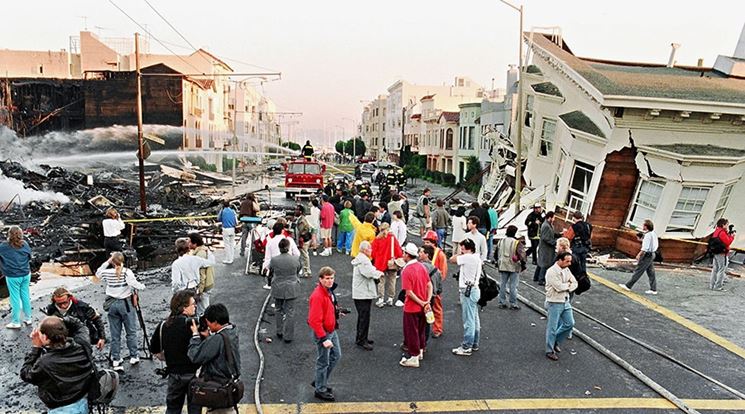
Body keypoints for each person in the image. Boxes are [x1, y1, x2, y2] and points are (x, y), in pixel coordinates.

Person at [20, 316, 94, 414]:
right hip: (84, 399)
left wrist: (35, 348)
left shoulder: (45, 362)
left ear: (45, 337)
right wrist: (61, 322)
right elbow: (80, 325)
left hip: (61, 408)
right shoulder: (83, 346)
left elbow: (26, 374)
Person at [149, 290, 201, 414]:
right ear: (184, 308)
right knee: (194, 409)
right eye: (193, 304)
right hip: (193, 374)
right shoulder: (194, 326)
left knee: (173, 408)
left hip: (174, 375)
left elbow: (154, 349)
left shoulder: (163, 326)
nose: (195, 306)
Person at [96, 251, 146, 371]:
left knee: (115, 334)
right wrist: (142, 286)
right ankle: (134, 355)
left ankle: (116, 358)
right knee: (131, 331)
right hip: (125, 303)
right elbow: (133, 283)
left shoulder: (106, 272)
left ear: (112, 262)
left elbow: (97, 274)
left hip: (112, 304)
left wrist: (107, 261)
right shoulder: (126, 272)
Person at [187, 304, 241, 414]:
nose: (207, 325)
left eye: (208, 322)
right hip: (229, 385)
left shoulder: (217, 340)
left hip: (218, 389)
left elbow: (195, 356)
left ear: (215, 322)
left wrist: (195, 335)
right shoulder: (232, 331)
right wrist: (209, 338)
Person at [307, 267, 341, 401]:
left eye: (332, 278)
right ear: (320, 279)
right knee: (323, 361)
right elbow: (314, 320)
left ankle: (319, 381)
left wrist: (337, 313)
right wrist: (323, 338)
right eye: (327, 278)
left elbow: (328, 309)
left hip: (330, 330)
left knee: (336, 356)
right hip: (324, 333)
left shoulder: (328, 292)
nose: (330, 281)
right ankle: (320, 389)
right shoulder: (318, 296)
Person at [399, 243, 433, 368]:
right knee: (421, 330)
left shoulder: (406, 270)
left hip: (412, 307)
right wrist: (427, 301)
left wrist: (421, 302)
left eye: (404, 253)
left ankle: (414, 356)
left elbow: (409, 292)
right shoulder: (422, 267)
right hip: (423, 306)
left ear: (407, 255)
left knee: (411, 331)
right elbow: (429, 285)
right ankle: (420, 351)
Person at [449, 238, 481, 356]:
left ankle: (467, 346)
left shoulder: (467, 257)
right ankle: (474, 343)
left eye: (462, 248)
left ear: (467, 249)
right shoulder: (477, 257)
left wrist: (460, 253)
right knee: (474, 318)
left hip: (467, 290)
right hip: (475, 289)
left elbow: (452, 259)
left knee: (468, 319)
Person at [545, 251, 578, 361]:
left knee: (570, 323)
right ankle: (549, 350)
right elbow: (558, 287)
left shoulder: (566, 269)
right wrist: (569, 286)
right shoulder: (551, 272)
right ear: (559, 260)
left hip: (565, 301)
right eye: (567, 261)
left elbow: (575, 283)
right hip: (554, 302)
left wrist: (567, 286)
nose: (569, 263)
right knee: (552, 328)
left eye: (570, 261)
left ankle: (555, 341)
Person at [351, 241, 383, 350]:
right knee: (364, 317)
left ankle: (361, 337)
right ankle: (362, 340)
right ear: (365, 250)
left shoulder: (362, 259)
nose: (371, 251)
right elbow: (369, 273)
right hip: (362, 294)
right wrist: (380, 273)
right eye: (370, 249)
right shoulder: (364, 261)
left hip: (361, 293)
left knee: (362, 317)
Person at [0, 225, 33, 329]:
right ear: (21, 234)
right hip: (26, 274)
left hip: (13, 276)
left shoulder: (3, 246)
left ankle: (16, 321)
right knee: (25, 296)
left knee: (15, 298)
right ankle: (28, 318)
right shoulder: (25, 244)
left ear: (8, 235)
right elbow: (29, 257)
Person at [171, 238, 215, 315]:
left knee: (185, 312)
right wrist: (208, 251)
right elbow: (211, 262)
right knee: (195, 310)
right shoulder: (195, 259)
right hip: (195, 289)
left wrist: (175, 292)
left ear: (177, 249)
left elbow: (176, 282)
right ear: (188, 248)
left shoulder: (176, 264)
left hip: (184, 290)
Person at [270, 239, 302, 342]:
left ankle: (279, 331)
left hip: (278, 286)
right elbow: (298, 270)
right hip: (291, 287)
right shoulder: (295, 259)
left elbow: (271, 271)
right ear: (288, 248)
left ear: (279, 248)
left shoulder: (274, 260)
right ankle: (288, 336)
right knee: (290, 312)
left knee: (278, 309)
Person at [619, 219, 659, 295]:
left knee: (639, 270)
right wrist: (641, 239)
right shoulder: (653, 233)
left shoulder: (647, 236)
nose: (642, 226)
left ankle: (628, 286)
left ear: (646, 227)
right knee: (651, 272)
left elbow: (645, 248)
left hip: (647, 255)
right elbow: (651, 244)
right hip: (652, 254)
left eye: (643, 225)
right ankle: (653, 289)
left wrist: (638, 255)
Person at [423, 231, 448, 338]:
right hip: (425, 285)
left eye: (427, 242)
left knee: (436, 307)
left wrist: (435, 285)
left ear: (434, 243)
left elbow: (443, 272)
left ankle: (437, 328)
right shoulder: (425, 253)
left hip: (434, 286)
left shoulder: (440, 255)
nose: (425, 244)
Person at [371, 223, 403, 307]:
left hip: (380, 263)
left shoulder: (377, 239)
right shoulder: (392, 238)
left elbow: (373, 253)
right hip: (391, 263)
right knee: (392, 280)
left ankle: (380, 299)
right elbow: (399, 251)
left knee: (381, 281)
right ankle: (390, 298)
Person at [263, 221, 300, 289]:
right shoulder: (289, 240)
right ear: (282, 230)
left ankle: (269, 284)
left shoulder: (270, 242)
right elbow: (297, 254)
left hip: (276, 269)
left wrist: (265, 269)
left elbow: (267, 258)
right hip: (289, 266)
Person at [496, 225, 525, 310]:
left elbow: (496, 253)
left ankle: (502, 302)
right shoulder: (517, 242)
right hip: (514, 266)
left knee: (502, 284)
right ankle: (513, 303)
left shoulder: (501, 241)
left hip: (502, 265)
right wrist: (523, 265)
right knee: (513, 286)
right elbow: (522, 255)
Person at [418, 244, 442, 344]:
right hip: (430, 297)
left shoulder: (419, 267)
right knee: (426, 321)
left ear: (427, 255)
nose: (419, 254)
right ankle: (424, 342)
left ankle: (414, 342)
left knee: (416, 321)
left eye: (421, 252)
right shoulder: (436, 270)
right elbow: (439, 287)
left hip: (419, 297)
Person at [187, 233, 215, 315]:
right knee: (204, 307)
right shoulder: (203, 250)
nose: (187, 243)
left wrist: (199, 291)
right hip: (208, 283)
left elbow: (202, 274)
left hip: (205, 286)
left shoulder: (200, 254)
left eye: (189, 242)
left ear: (194, 243)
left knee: (202, 310)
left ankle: (205, 325)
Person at [562, 211, 592, 278]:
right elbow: (589, 236)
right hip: (585, 247)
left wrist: (564, 232)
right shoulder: (588, 225)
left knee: (575, 263)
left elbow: (568, 237)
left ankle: (576, 277)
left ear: (574, 218)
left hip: (577, 247)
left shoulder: (574, 226)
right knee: (583, 263)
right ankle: (584, 277)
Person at [709, 218, 735, 291]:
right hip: (722, 253)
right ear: (723, 225)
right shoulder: (722, 232)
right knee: (721, 269)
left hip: (715, 252)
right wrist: (732, 236)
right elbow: (728, 242)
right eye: (726, 224)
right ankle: (718, 286)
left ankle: (712, 285)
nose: (727, 226)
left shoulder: (717, 231)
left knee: (715, 269)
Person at [535, 211, 557, 286]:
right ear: (550, 217)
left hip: (546, 247)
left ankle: (536, 277)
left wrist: (559, 235)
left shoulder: (548, 225)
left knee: (541, 262)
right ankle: (541, 279)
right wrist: (554, 243)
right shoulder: (546, 226)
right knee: (545, 263)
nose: (554, 219)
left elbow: (551, 234)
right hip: (546, 248)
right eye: (553, 218)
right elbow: (545, 238)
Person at [294, 205, 313, 277]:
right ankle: (305, 270)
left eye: (297, 210)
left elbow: (300, 231)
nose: (295, 211)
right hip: (305, 239)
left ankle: (306, 271)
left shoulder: (301, 220)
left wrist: (298, 241)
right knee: (304, 255)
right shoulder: (301, 218)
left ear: (300, 211)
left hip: (303, 240)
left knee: (304, 255)